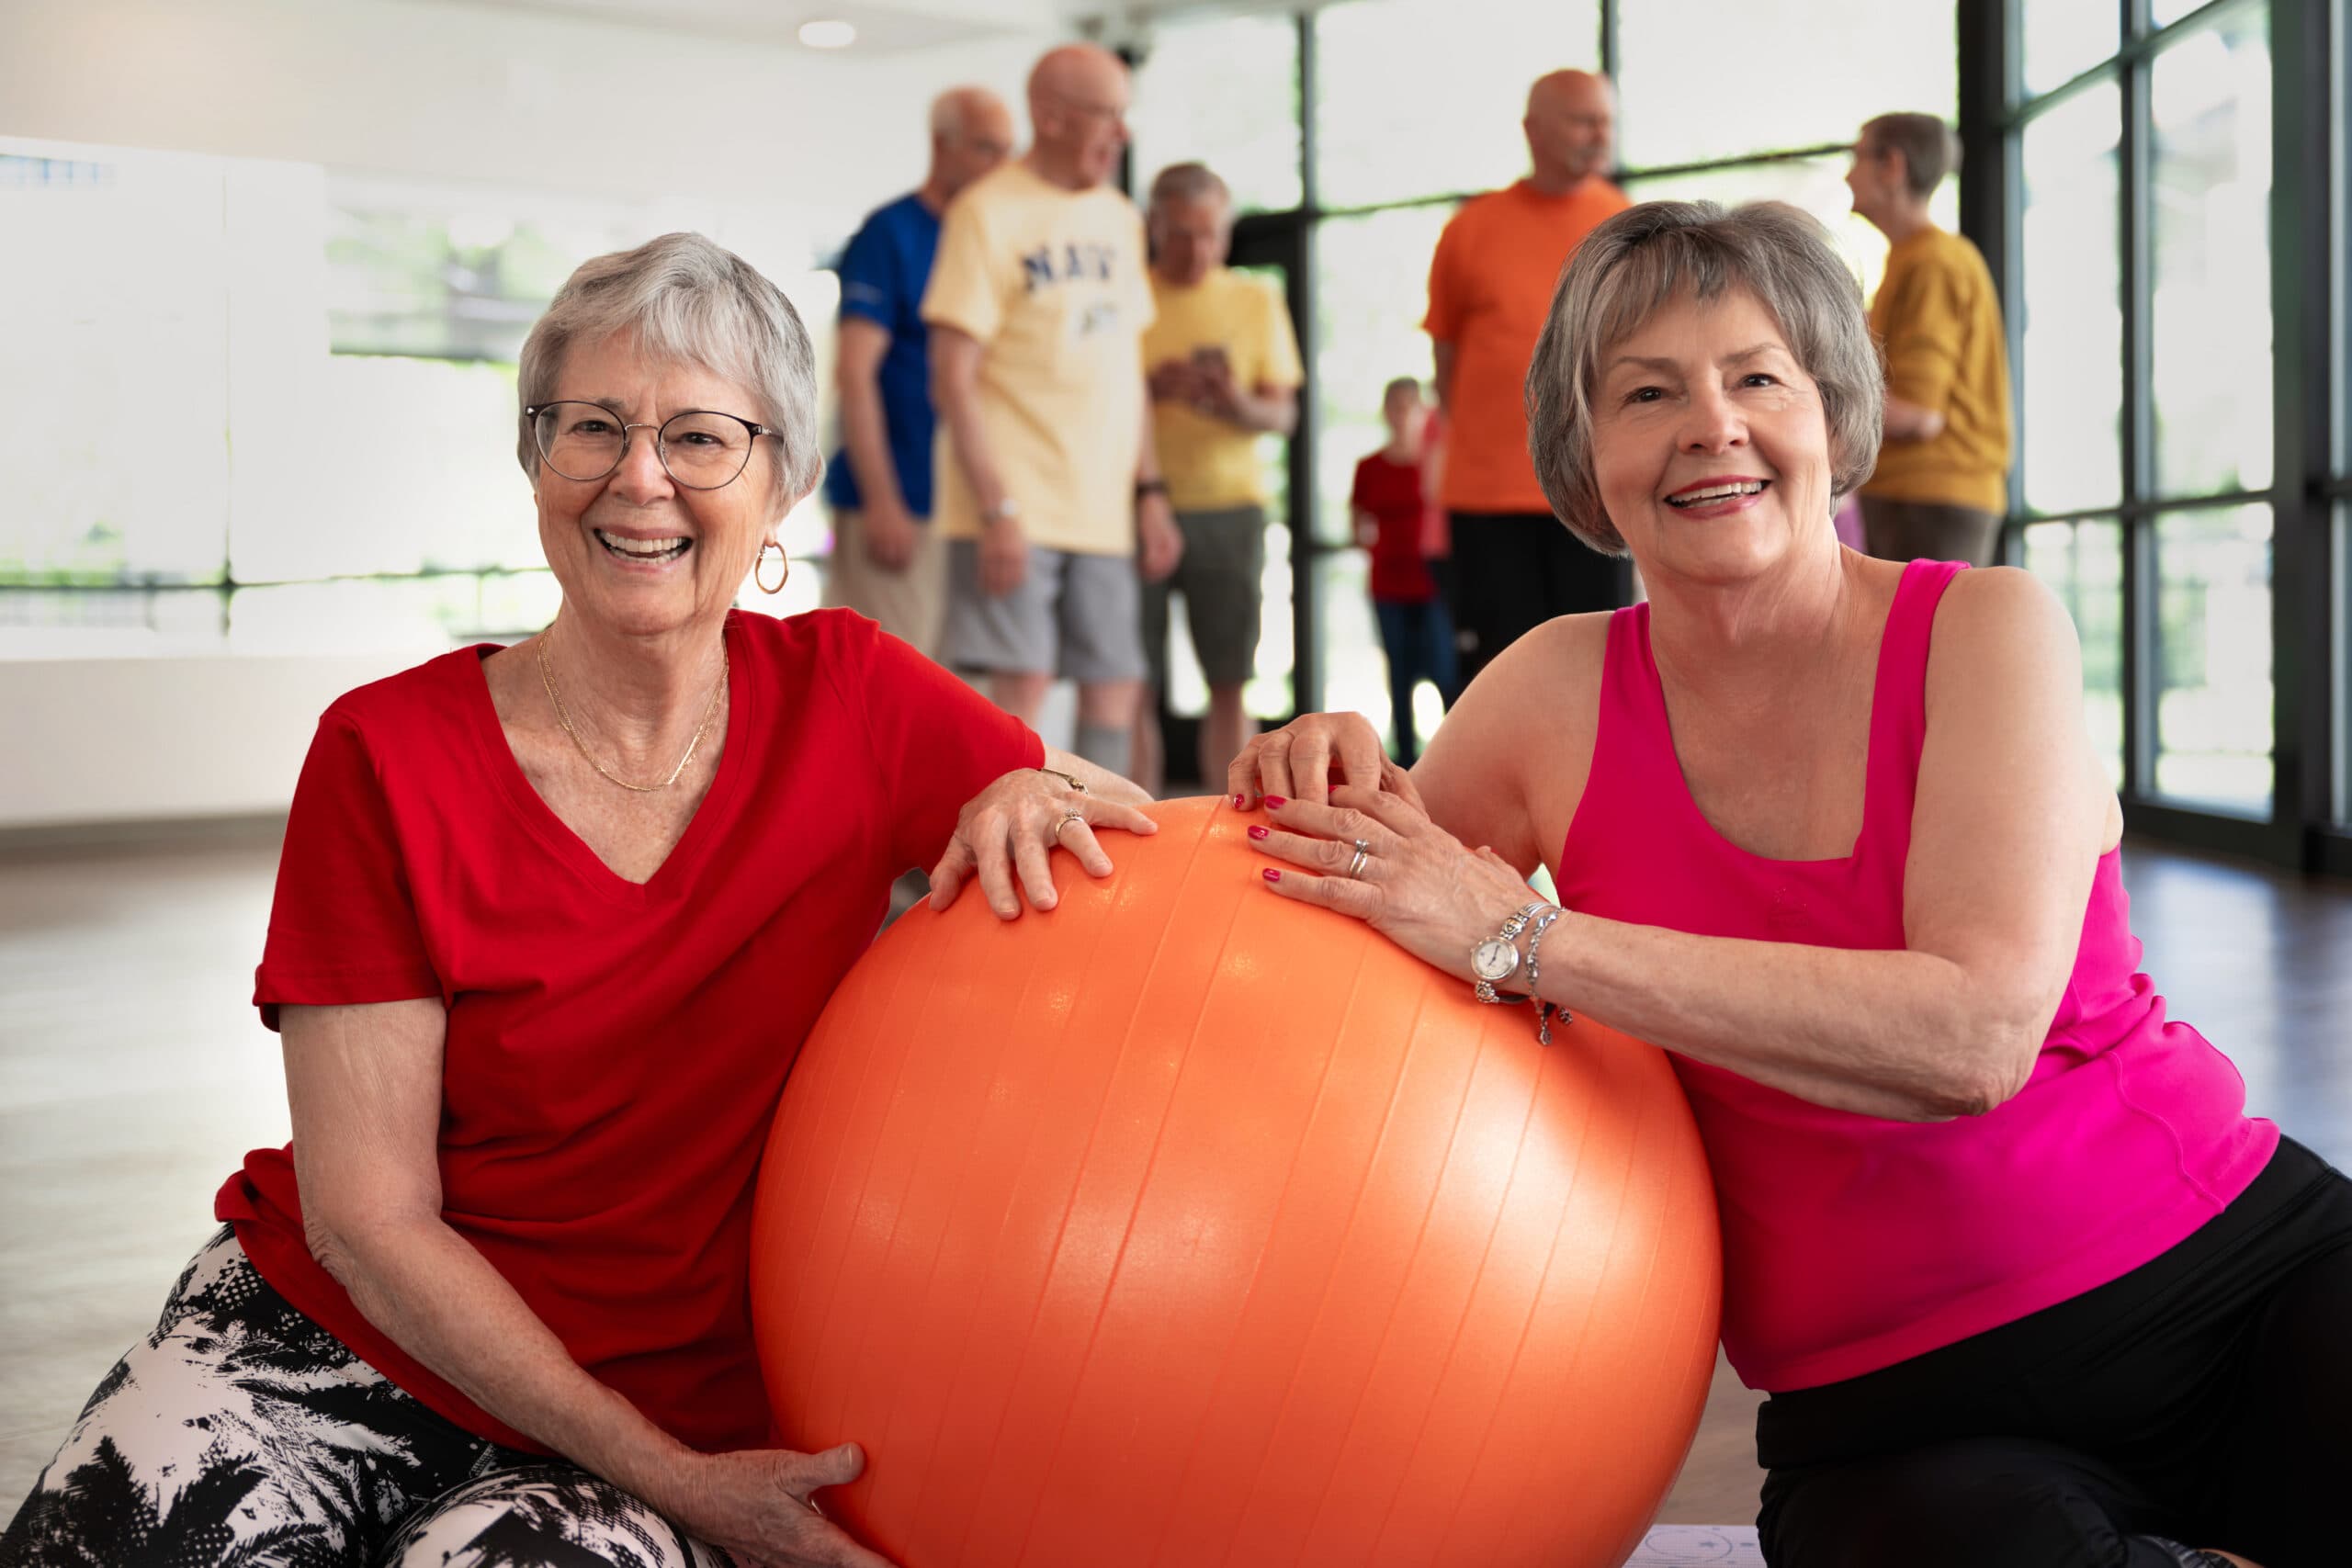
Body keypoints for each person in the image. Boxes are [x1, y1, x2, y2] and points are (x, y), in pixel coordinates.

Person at [0, 232, 1160, 1568]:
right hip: (340, 1336)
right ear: (534, 460)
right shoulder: (385, 753)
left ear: (783, 481)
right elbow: (367, 1221)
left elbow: (1125, 823)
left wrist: (1029, 787)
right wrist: (670, 1475)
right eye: (591, 426)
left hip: (663, 1397)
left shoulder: (855, 695)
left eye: (701, 437)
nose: (640, 477)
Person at [1227, 201, 2347, 1568]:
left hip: (2231, 1279)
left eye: (1758, 376)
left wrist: (1530, 939)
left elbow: (1972, 1034)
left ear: (1832, 411)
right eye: (1649, 391)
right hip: (1894, 1415)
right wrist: (1295, 772)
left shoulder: (1987, 628)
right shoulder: (1545, 695)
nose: (1713, 424)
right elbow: (1345, 929)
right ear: (1587, 454)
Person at [926, 43, 1182, 779]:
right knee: (1021, 688)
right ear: (1052, 115)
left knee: (1115, 684)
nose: (1121, 133)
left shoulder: (1118, 219)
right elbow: (952, 374)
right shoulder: (986, 213)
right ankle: (986, 859)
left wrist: (1151, 491)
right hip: (1014, 503)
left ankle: (1100, 852)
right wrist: (996, 506)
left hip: (1101, 508)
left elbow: (1125, 368)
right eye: (1107, 114)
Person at [1424, 67, 1632, 685]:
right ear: (1532, 129)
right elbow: (1446, 361)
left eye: (1607, 121)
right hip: (1489, 495)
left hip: (1595, 490)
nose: (1600, 134)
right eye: (1583, 119)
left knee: (1600, 670)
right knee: (1497, 674)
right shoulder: (1472, 229)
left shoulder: (1626, 224)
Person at [820, 85, 1014, 655]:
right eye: (985, 149)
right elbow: (855, 375)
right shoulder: (890, 234)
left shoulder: (988, 240)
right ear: (941, 145)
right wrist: (884, 501)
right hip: (896, 499)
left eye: (1007, 152)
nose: (999, 168)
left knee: (955, 696)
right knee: (880, 676)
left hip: (967, 508)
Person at [1135, 161, 1302, 791]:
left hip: (1230, 507)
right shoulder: (1128, 295)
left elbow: (1282, 413)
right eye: (1183, 233)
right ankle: (1136, 834)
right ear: (1155, 225)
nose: (1199, 249)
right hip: (1132, 507)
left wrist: (1231, 400)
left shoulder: (1255, 298)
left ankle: (1231, 827)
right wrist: (1146, 391)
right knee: (1134, 683)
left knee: (1230, 677)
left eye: (1212, 233)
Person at [1846, 112, 2013, 567]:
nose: (1847, 174)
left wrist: (1821, 403)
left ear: (1892, 166)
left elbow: (1919, 415)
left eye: (1856, 157)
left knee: (1924, 640)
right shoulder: (1910, 260)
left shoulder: (1933, 263)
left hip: (1931, 495)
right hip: (1917, 495)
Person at [1349, 377, 1457, 766]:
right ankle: (1407, 768)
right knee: (1399, 677)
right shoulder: (1370, 467)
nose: (1402, 414)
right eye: (1395, 405)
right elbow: (1357, 519)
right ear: (1385, 411)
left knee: (1446, 674)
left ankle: (1453, 762)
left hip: (1430, 584)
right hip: (1387, 584)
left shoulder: (1433, 465)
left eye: (1410, 405)